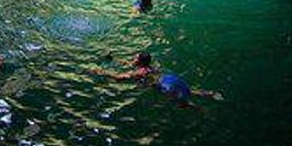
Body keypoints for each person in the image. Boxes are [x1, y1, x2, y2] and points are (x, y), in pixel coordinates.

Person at [91, 52, 222, 101]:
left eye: (135, 58)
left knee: (181, 101)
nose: (133, 59)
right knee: (189, 90)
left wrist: (101, 72)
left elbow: (119, 78)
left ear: (140, 62)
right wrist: (113, 58)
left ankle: (200, 110)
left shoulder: (140, 72)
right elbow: (128, 63)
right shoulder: (148, 66)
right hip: (168, 77)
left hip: (162, 85)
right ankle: (211, 94)